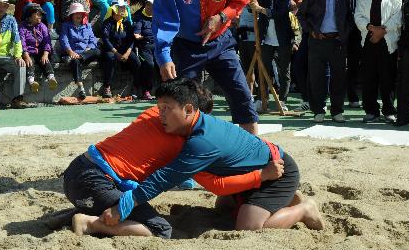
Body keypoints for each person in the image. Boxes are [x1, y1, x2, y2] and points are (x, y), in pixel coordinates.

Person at [97, 78, 324, 235]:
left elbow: (167, 178)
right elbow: (213, 183)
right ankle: (283, 200)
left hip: (277, 171)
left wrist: (122, 207)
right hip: (253, 172)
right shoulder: (193, 130)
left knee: (248, 227)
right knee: (223, 210)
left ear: (188, 110)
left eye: (166, 109)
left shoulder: (201, 142)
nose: (160, 115)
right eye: (159, 108)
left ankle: (304, 209)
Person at [153, 0, 259, 133]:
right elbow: (163, 18)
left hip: (220, 41)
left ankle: (252, 151)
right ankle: (190, 153)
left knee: (242, 96)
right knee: (184, 105)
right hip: (186, 46)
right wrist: (164, 56)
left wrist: (222, 17)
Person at [297, 0, 353, 123]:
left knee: (339, 77)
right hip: (317, 40)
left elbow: (350, 17)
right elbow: (301, 15)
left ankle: (337, 111)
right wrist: (311, 32)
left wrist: (344, 33)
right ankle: (318, 110)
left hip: (337, 41)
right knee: (317, 77)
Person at [354, 0, 401, 123]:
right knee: (369, 78)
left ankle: (389, 110)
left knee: (388, 78)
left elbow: (398, 18)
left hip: (387, 41)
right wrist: (370, 28)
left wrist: (383, 31)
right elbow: (358, 16)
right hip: (369, 40)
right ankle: (371, 111)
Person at [249, 0, 297, 108]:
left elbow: (278, 13)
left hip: (283, 38)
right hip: (265, 38)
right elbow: (252, 10)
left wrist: (260, 8)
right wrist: (252, 2)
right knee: (263, 70)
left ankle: (282, 100)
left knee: (284, 71)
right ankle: (261, 98)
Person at [99, 0, 142, 98]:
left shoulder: (127, 23)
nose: (123, 9)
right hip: (111, 49)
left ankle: (135, 86)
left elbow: (131, 39)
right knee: (110, 58)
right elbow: (106, 40)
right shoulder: (107, 23)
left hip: (124, 49)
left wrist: (127, 52)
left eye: (124, 8)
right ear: (114, 9)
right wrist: (116, 53)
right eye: (121, 8)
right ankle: (107, 86)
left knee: (137, 61)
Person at [59, 2, 100, 99]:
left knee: (97, 51)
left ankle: (79, 57)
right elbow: (64, 39)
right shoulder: (66, 25)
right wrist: (71, 52)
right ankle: (81, 88)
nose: (79, 15)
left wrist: (89, 48)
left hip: (86, 53)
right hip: (73, 53)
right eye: (76, 13)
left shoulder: (87, 26)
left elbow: (93, 40)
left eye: (80, 13)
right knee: (75, 61)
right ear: (72, 15)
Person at [19, 3, 57, 93]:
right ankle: (32, 82)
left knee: (45, 61)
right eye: (37, 14)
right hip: (29, 52)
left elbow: (47, 42)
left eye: (41, 15)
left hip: (41, 52)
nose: (40, 17)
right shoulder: (22, 27)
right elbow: (22, 42)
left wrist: (45, 54)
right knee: (29, 63)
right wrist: (26, 55)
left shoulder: (42, 26)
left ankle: (51, 77)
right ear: (29, 15)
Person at [133, 0, 157, 100]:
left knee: (165, 62)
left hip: (158, 46)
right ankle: (146, 90)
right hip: (145, 47)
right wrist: (143, 36)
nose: (149, 7)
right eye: (147, 5)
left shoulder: (159, 18)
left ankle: (166, 90)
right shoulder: (140, 19)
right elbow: (136, 34)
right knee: (149, 64)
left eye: (151, 5)